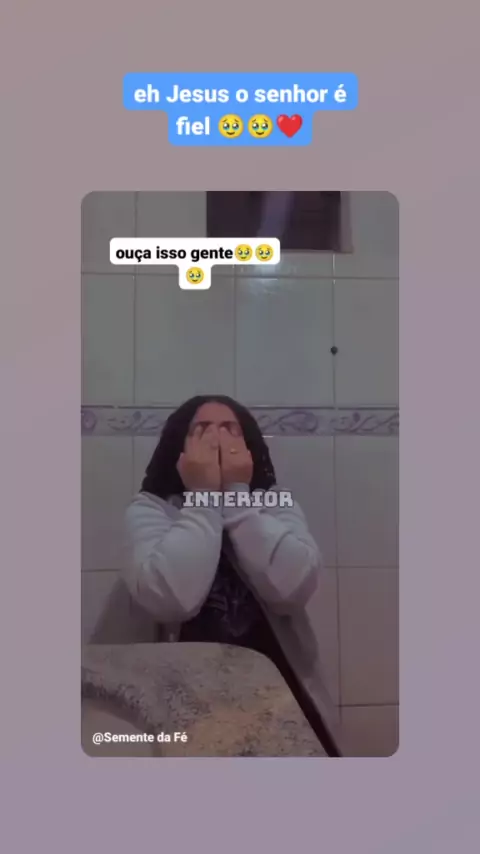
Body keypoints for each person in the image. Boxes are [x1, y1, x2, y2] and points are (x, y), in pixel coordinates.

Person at [123, 394, 341, 756]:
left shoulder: (276, 502)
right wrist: (203, 496)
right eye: (202, 429)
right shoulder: (150, 509)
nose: (217, 439)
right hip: (186, 707)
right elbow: (171, 600)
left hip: (283, 699)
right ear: (181, 446)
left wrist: (238, 497)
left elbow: (295, 587)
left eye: (229, 429)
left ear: (249, 446)